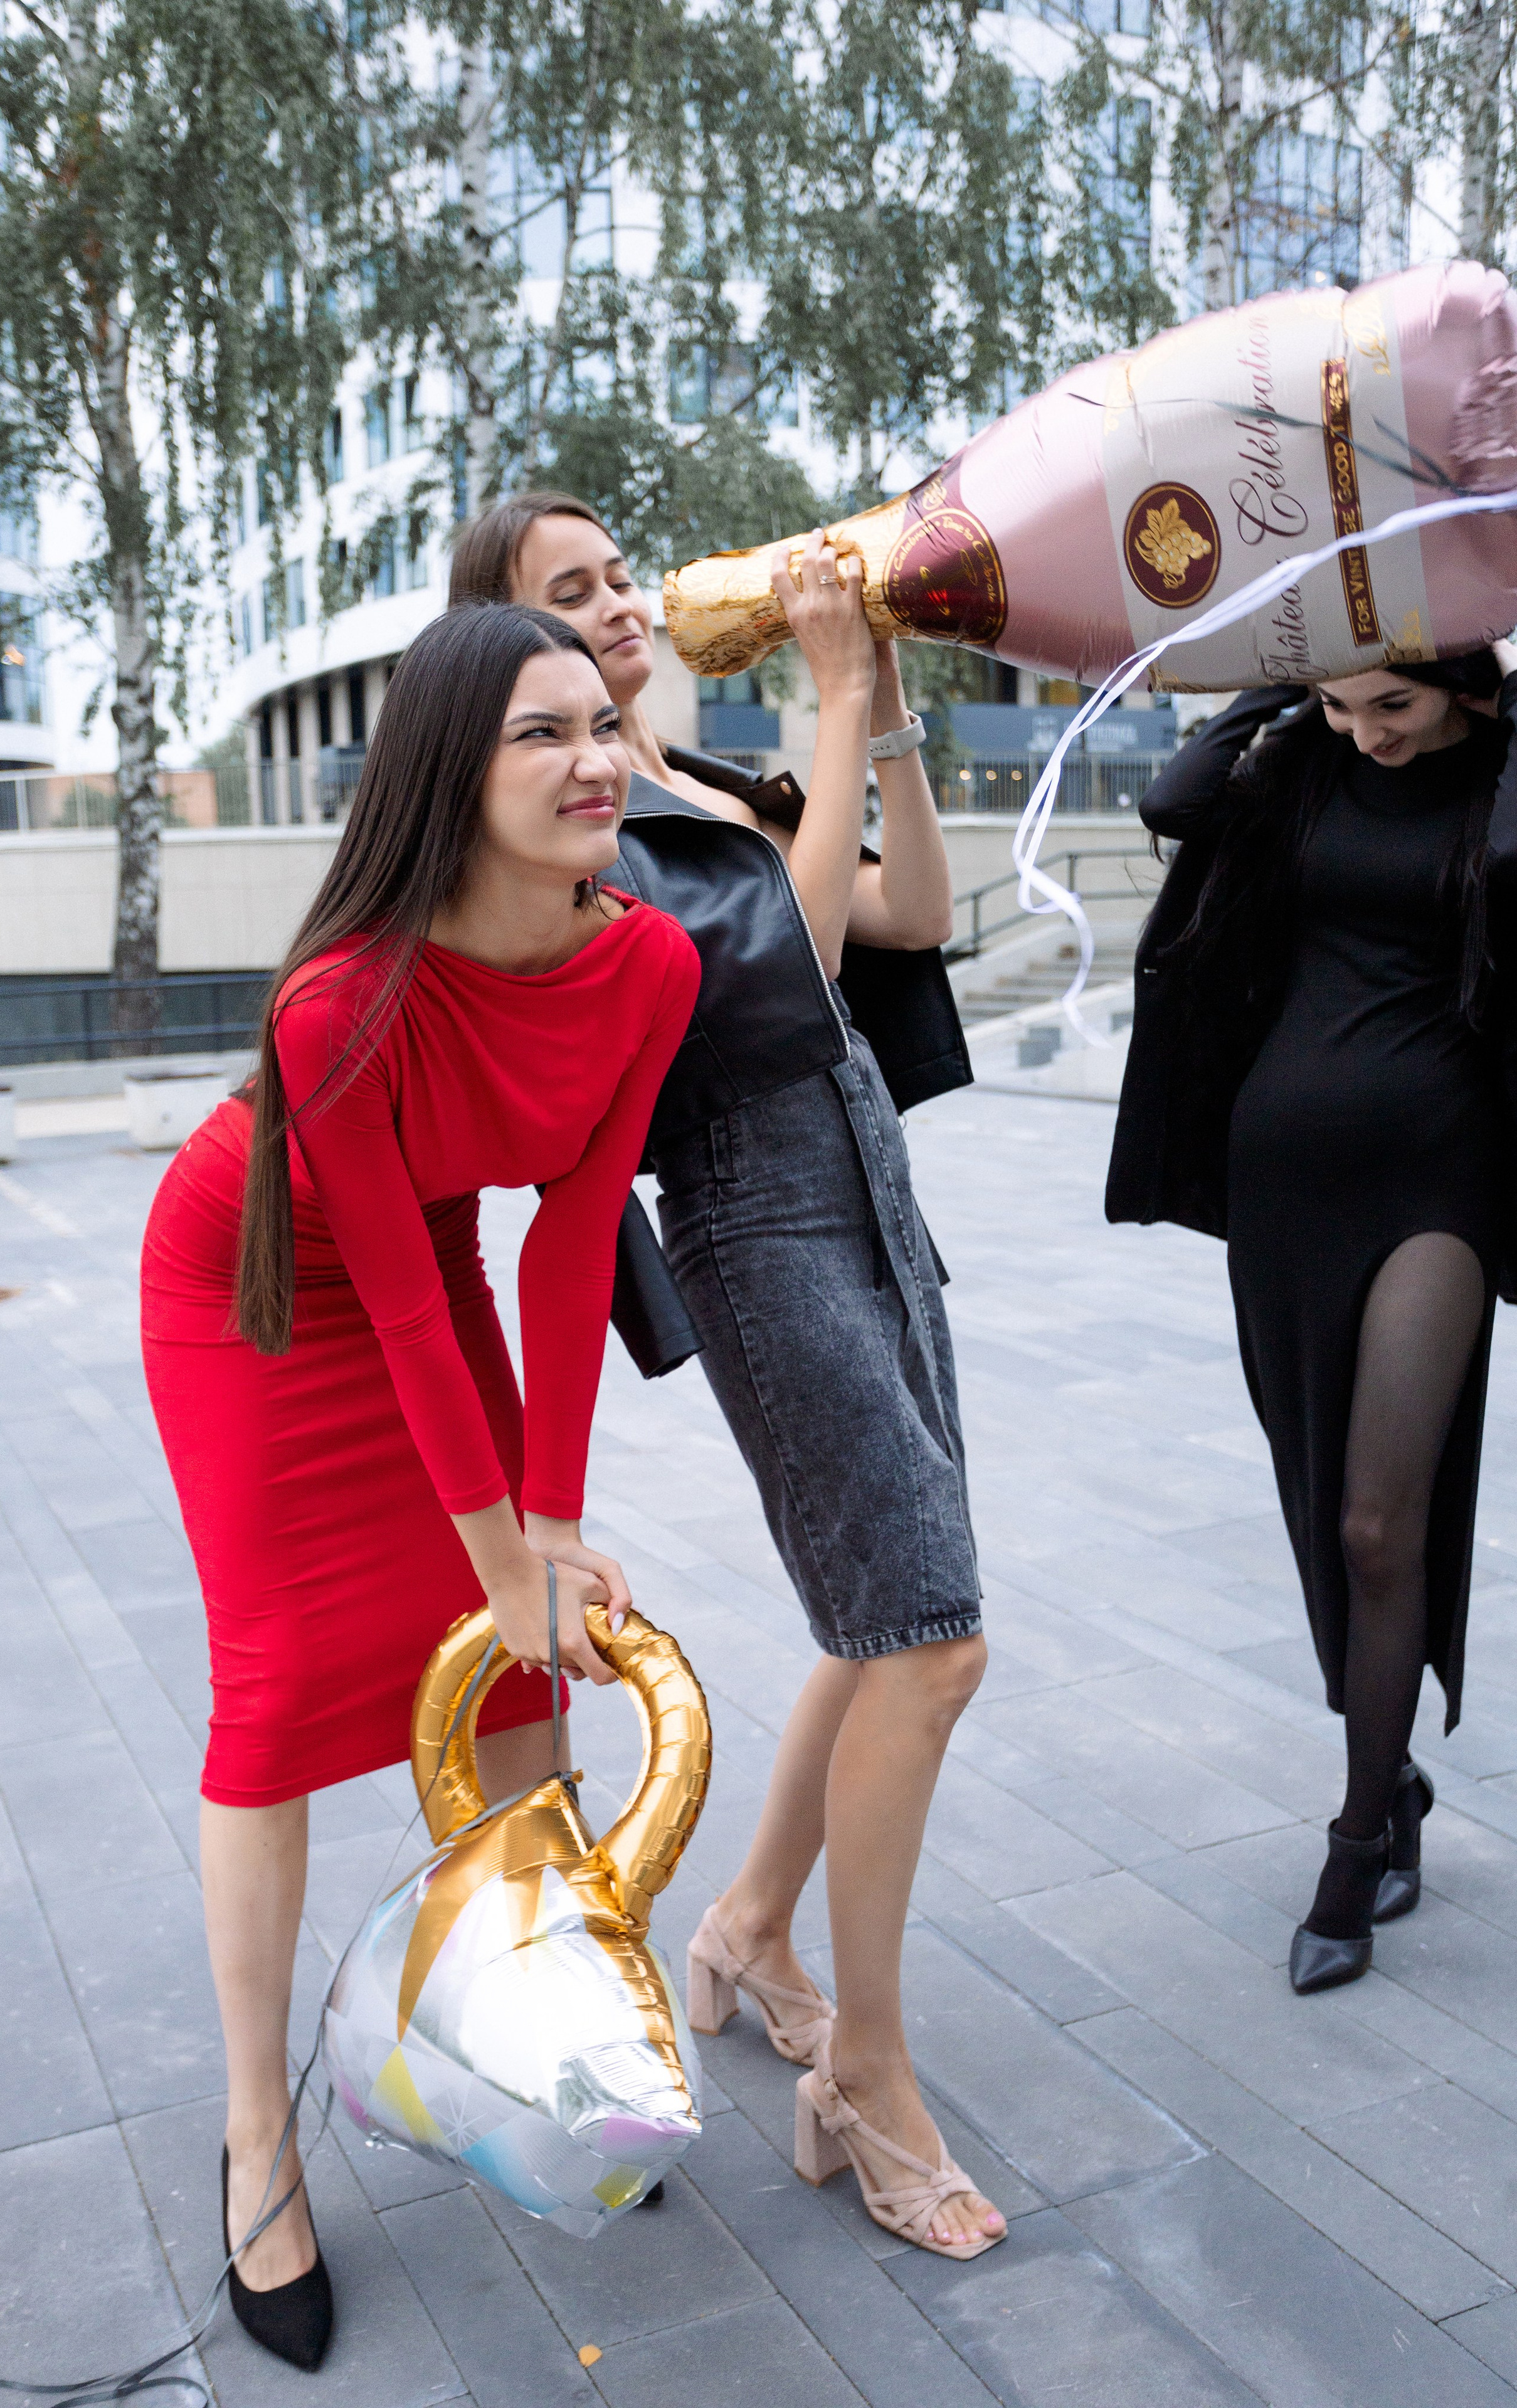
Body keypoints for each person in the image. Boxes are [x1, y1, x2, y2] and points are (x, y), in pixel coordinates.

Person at [140, 603, 699, 2366]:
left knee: (526, 1669)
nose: (596, 757)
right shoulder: (343, 998)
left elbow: (564, 1250)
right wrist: (503, 1548)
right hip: (249, 1295)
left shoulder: (650, 966)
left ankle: (531, 2035)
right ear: (449, 775)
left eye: (604, 720)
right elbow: (376, 1295)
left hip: (437, 1263)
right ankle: (258, 2139)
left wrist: (545, 1532)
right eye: (544, 732)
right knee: (286, 1691)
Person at [450, 495, 1007, 2259]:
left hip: (867, 1195)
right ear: (507, 657)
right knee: (931, 1637)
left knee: (890, 1613)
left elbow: (909, 906)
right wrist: (831, 699)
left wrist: (885, 700)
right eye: (569, 597)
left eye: (621, 577)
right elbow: (784, 991)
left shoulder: (700, 794)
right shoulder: (582, 833)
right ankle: (868, 2071)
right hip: (760, 1226)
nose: (618, 609)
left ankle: (752, 1931)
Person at [1107, 643, 1517, 1994]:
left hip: (1438, 1178)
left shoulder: (1498, 783)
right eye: (1343, 709)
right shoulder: (1299, 770)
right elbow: (1175, 796)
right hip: (1278, 1178)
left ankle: (1351, 1845)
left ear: (1462, 685)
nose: (1367, 735)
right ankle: (1387, 1771)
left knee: (1374, 1518)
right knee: (1309, 1496)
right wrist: (1285, 678)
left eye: (1390, 705)